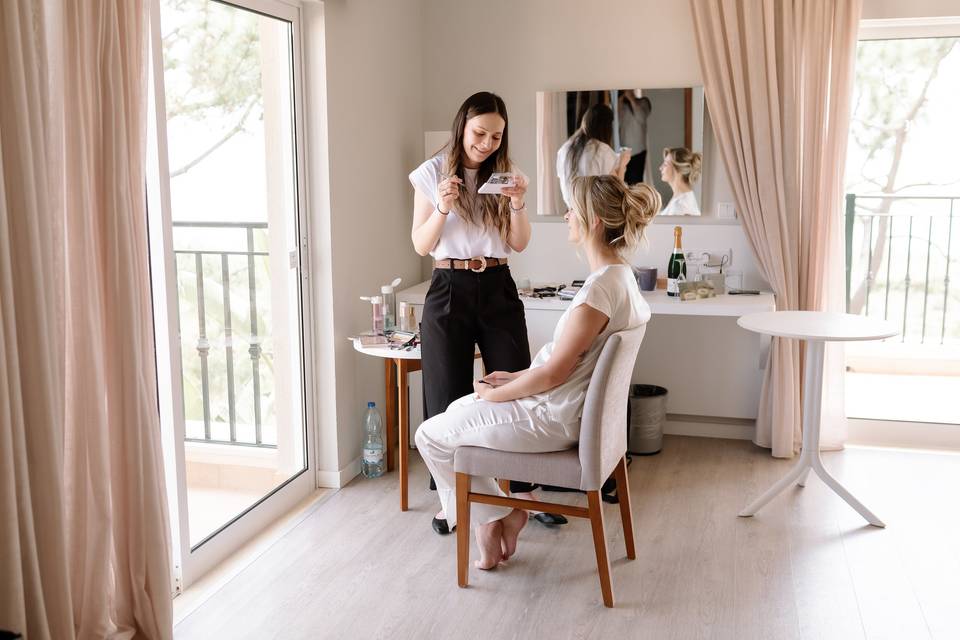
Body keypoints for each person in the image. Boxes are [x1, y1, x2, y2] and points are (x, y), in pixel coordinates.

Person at [415, 175, 660, 570]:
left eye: (571, 210)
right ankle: (504, 515)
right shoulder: (623, 279)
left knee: (429, 434)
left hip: (551, 417)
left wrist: (500, 395)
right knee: (458, 408)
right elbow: (566, 366)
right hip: (561, 408)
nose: (566, 216)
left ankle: (489, 524)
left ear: (593, 220)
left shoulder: (598, 292)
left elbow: (553, 376)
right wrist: (512, 380)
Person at [409, 91, 564, 535]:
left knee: (517, 388)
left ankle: (524, 493)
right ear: (462, 127)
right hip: (448, 287)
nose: (487, 143)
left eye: (496, 136)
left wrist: (518, 202)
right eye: (480, 133)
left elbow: (518, 242)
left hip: (497, 286)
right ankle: (450, 498)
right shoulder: (431, 173)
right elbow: (421, 245)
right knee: (445, 396)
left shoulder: (508, 174)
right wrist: (441, 205)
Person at [556, 104, 630, 209]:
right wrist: (622, 164)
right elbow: (617, 193)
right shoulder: (603, 150)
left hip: (572, 211)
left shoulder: (564, 149)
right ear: (606, 127)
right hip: (595, 214)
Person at [618, 92, 652, 184]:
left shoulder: (643, 102)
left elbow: (641, 117)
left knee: (636, 184)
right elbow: (617, 120)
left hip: (638, 152)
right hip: (623, 152)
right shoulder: (621, 103)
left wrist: (631, 98)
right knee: (623, 183)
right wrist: (621, 99)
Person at [659, 146, 702, 216]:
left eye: (665, 164)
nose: (660, 168)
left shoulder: (681, 206)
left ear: (678, 169)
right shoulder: (678, 198)